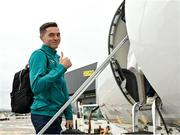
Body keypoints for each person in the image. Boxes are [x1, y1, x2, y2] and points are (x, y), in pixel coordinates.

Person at [29, 22, 73, 134]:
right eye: (51, 35)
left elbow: (63, 88)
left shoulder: (57, 58)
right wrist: (61, 67)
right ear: (42, 38)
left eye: (58, 35)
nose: (56, 38)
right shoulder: (39, 55)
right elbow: (37, 86)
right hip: (43, 115)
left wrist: (68, 115)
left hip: (56, 114)